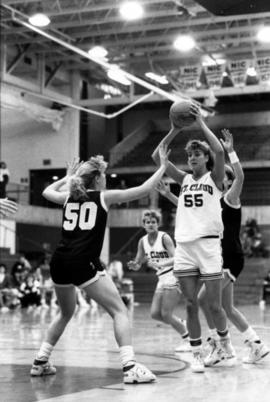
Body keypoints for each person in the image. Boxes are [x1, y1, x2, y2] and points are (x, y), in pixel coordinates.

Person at [31, 145, 169, 384]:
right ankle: (129, 367)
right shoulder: (103, 197)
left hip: (59, 261)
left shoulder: (67, 197)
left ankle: (40, 362)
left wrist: (67, 177)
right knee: (119, 311)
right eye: (103, 175)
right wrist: (163, 166)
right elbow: (144, 189)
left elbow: (45, 192)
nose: (105, 179)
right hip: (82, 262)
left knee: (66, 312)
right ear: (97, 178)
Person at [158, 130, 269, 365]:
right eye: (225, 177)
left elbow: (239, 176)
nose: (225, 180)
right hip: (218, 254)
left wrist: (231, 152)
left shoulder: (230, 197)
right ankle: (255, 344)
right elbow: (189, 207)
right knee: (226, 307)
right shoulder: (210, 199)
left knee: (205, 301)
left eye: (227, 178)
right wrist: (169, 195)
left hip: (229, 257)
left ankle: (220, 346)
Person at [152, 105, 234, 373]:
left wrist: (200, 123)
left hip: (209, 246)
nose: (191, 158)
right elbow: (157, 156)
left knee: (214, 305)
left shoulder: (215, 178)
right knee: (189, 304)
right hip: (185, 247)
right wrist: (175, 129)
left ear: (205, 157)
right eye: (189, 154)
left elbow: (220, 151)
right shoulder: (184, 180)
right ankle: (197, 352)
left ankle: (225, 345)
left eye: (196, 154)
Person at [127, 209, 190, 352]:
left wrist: (162, 264)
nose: (150, 224)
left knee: (166, 314)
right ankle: (181, 323)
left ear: (158, 224)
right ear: (143, 224)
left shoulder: (165, 238)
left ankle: (189, 340)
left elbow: (177, 258)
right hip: (161, 278)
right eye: (147, 222)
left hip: (173, 276)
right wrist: (134, 265)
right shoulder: (142, 241)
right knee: (155, 314)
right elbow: (138, 263)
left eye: (153, 222)